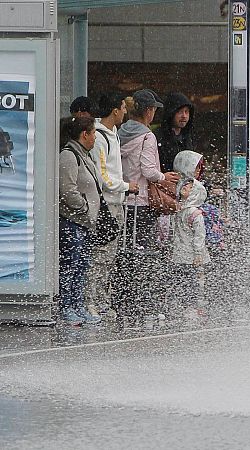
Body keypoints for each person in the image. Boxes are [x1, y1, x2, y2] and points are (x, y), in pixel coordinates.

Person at [85, 93, 138, 318]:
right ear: (115, 110)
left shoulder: (114, 133)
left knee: (109, 257)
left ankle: (101, 300)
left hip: (117, 203)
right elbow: (103, 176)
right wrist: (126, 186)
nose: (125, 111)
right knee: (100, 256)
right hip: (105, 205)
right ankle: (89, 301)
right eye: (123, 107)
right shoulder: (99, 137)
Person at [119, 89, 179, 249]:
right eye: (154, 110)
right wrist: (163, 177)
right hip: (140, 200)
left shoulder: (119, 133)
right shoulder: (147, 136)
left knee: (124, 247)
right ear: (148, 111)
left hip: (121, 198)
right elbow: (148, 171)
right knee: (141, 249)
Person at [58, 117, 102, 326]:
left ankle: (77, 304)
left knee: (81, 266)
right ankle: (65, 306)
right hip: (73, 221)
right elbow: (67, 190)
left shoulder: (85, 155)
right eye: (93, 133)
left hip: (85, 223)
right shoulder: (69, 155)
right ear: (85, 134)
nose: (95, 138)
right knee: (70, 264)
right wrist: (85, 208)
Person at [170, 150, 211, 323]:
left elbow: (199, 236)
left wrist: (198, 254)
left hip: (190, 255)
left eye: (190, 187)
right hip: (180, 253)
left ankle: (192, 306)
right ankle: (183, 306)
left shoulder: (194, 213)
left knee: (191, 281)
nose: (186, 187)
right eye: (185, 186)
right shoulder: (179, 209)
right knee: (182, 279)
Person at [155, 92, 195, 173]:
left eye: (186, 112)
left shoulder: (188, 136)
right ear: (171, 113)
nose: (184, 116)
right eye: (180, 112)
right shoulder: (158, 137)